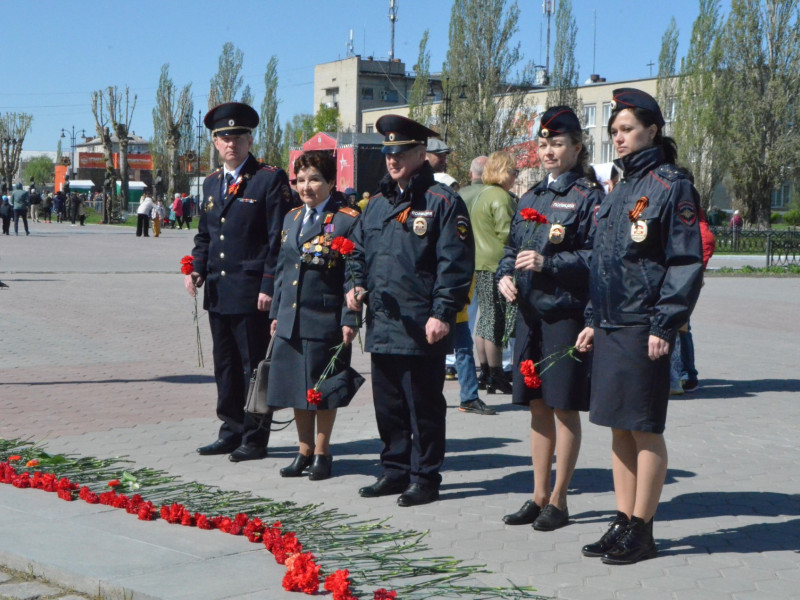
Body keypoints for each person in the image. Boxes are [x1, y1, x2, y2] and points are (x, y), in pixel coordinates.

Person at [575, 88, 703, 564]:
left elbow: (685, 262)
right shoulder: (619, 187)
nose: (619, 138)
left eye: (627, 129)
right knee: (617, 428)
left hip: (643, 325)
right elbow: (604, 263)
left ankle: (644, 530)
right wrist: (591, 318)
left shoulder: (671, 186)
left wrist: (665, 324)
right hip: (611, 323)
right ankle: (624, 518)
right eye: (614, 131)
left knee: (644, 428)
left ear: (652, 130)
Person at [347, 114, 474, 507]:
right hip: (383, 323)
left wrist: (442, 312)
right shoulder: (375, 204)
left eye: (401, 152)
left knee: (423, 406)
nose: (392, 159)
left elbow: (454, 265)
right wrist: (355, 283)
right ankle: (395, 470)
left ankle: (425, 475)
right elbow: (357, 251)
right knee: (388, 405)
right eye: (387, 152)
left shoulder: (442, 202)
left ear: (421, 153)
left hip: (422, 325)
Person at [497, 106, 604, 531]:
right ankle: (538, 495)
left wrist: (549, 264)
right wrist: (506, 275)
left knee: (563, 408)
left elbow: (597, 257)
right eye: (543, 144)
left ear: (577, 147)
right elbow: (511, 248)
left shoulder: (589, 197)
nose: (548, 151)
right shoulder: (531, 197)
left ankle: (559, 500)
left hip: (564, 315)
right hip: (529, 316)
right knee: (536, 406)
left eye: (557, 144)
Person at [186, 101, 293, 462]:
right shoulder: (213, 182)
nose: (230, 144)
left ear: (250, 139)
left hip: (251, 292)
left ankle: (255, 436)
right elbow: (206, 234)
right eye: (223, 137)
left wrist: (268, 285)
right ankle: (230, 430)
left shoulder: (268, 178)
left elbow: (278, 237)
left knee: (253, 367)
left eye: (238, 136)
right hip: (218, 290)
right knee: (226, 365)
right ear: (215, 143)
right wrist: (196, 268)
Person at [268, 151, 362, 481]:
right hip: (291, 318)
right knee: (297, 387)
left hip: (325, 319)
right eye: (301, 179)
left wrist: (350, 319)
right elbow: (283, 270)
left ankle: (323, 452)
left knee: (323, 388)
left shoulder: (346, 220)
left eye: (315, 179)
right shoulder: (292, 217)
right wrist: (276, 314)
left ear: (331, 182)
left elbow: (353, 274)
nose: (307, 186)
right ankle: (303, 450)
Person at [470, 151, 518, 394]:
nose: (515, 177)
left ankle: (487, 372)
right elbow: (508, 233)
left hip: (482, 261)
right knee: (494, 321)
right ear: (503, 171)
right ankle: (497, 374)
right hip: (498, 263)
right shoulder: (500, 197)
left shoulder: (483, 194)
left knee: (484, 319)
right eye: (513, 171)